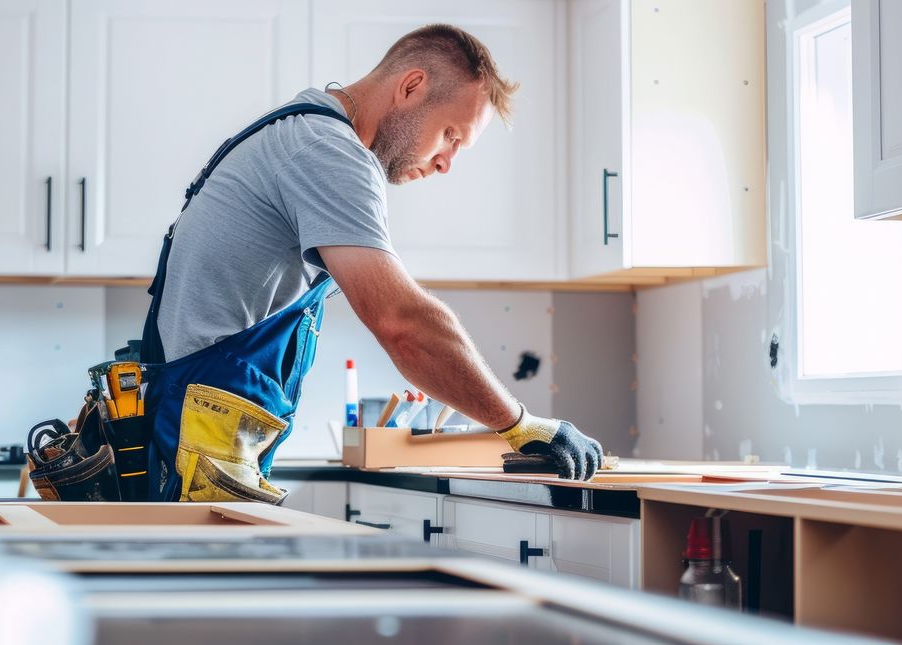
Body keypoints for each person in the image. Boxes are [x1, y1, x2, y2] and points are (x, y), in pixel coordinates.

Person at [138, 24, 603, 503]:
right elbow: (404, 323)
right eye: (450, 136)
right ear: (411, 86)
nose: (446, 163)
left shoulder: (296, 129)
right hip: (196, 440)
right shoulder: (327, 150)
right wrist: (521, 424)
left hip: (197, 433)